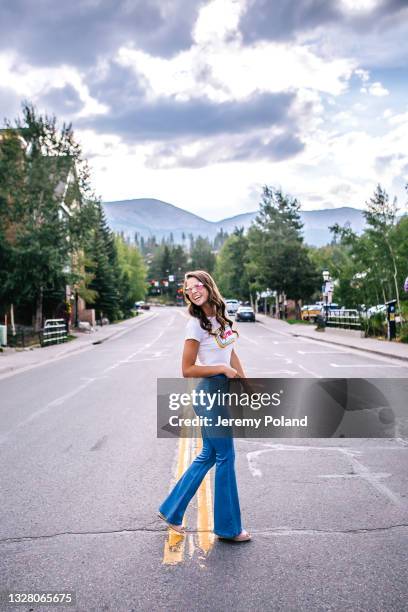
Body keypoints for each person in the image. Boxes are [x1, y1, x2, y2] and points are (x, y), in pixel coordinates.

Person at [158, 270, 252, 542]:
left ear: (208, 285)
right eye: (188, 289)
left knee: (210, 454)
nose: (192, 292)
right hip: (209, 395)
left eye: (196, 286)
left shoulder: (220, 318)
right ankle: (228, 529)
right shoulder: (195, 325)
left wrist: (245, 383)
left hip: (218, 393)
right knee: (226, 456)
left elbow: (230, 351)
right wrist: (222, 369)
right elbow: (187, 369)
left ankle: (171, 510)